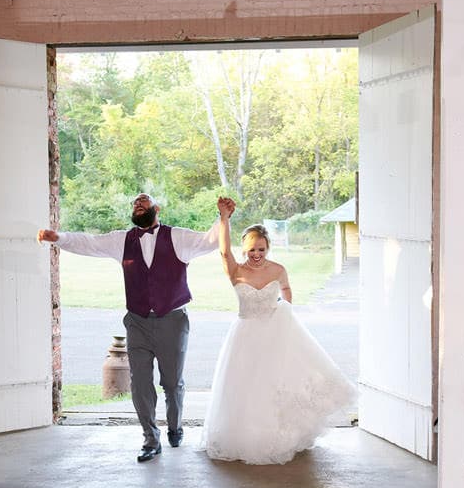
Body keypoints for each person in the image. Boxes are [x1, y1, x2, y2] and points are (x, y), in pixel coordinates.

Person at [39, 194, 226, 461]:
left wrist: (222, 218)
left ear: (156, 209)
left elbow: (209, 240)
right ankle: (151, 439)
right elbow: (90, 243)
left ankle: (175, 426)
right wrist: (58, 237)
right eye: (134, 204)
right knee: (139, 383)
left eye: (143, 202)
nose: (138, 206)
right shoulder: (121, 240)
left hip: (172, 319)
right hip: (137, 321)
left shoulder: (177, 237)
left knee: (172, 383)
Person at [202, 198, 354, 463]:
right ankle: (248, 436)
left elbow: (287, 291)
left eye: (260, 248)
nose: (256, 254)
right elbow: (224, 252)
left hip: (275, 334)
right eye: (251, 249)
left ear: (268, 247)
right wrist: (224, 218)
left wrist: (285, 313)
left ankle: (282, 435)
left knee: (277, 383)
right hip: (246, 336)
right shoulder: (236, 271)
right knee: (247, 387)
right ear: (245, 250)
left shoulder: (278, 270)